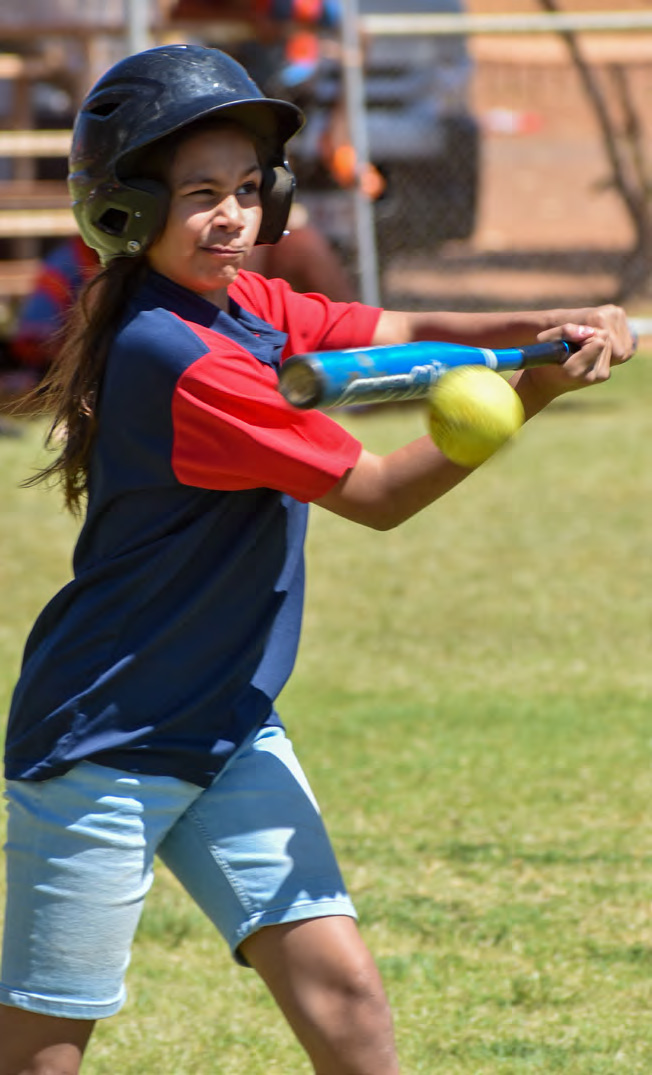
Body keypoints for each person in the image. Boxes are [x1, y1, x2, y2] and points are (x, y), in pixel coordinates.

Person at [0, 44, 634, 1075]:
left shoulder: (245, 306)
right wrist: (530, 397)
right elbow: (378, 495)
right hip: (106, 739)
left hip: (227, 718)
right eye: (200, 194)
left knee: (346, 999)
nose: (232, 218)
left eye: (248, 192)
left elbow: (402, 330)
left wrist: (541, 332)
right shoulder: (180, 352)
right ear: (124, 209)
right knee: (45, 1047)